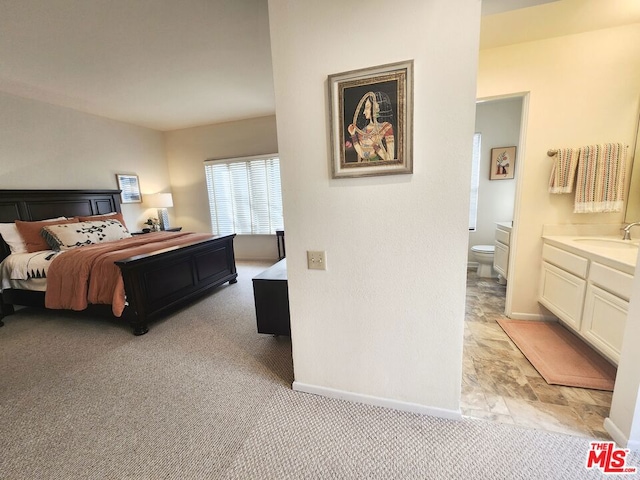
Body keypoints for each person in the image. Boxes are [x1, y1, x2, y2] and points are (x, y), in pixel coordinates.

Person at [347, 91, 395, 162]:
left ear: (376, 108)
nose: (364, 112)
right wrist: (353, 135)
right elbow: (362, 154)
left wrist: (374, 145)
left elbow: (390, 158)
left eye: (367, 107)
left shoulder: (386, 127)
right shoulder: (363, 131)